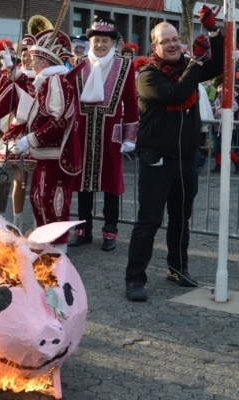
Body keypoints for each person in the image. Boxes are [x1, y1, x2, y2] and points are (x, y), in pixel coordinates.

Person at [125, 7, 223, 301]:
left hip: (186, 160)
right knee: (149, 221)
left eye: (174, 40)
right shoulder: (147, 75)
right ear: (154, 46)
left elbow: (216, 64)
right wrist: (195, 61)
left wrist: (214, 31)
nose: (171, 45)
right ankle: (134, 279)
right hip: (157, 161)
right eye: (164, 41)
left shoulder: (187, 68)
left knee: (181, 219)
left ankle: (177, 269)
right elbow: (175, 94)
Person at [68, 18, 138, 252]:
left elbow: (130, 101)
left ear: (112, 43)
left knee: (110, 184)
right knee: (83, 184)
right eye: (96, 40)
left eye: (104, 41)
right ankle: (83, 230)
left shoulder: (125, 65)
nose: (99, 45)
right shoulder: (78, 63)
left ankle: (110, 232)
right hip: (84, 131)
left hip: (111, 133)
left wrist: (130, 135)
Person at [13, 29, 83, 253]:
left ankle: (57, 255)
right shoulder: (49, 81)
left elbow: (60, 119)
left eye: (34, 60)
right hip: (46, 155)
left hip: (55, 155)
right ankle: (45, 250)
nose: (31, 64)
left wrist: (30, 139)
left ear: (44, 61)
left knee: (53, 204)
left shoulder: (55, 81)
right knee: (39, 200)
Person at [0, 38, 36, 232]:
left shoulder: (45, 77)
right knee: (19, 180)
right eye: (24, 54)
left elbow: (30, 89)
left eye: (31, 54)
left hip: (41, 133)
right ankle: (18, 221)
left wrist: (10, 69)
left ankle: (42, 223)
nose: (28, 58)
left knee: (41, 184)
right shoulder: (14, 76)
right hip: (19, 131)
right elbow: (1, 108)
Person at [210, 82, 239, 173]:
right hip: (217, 126)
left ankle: (237, 162)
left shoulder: (230, 97)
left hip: (226, 126)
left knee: (225, 147)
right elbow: (215, 107)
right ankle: (219, 165)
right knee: (217, 147)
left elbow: (235, 107)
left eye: (222, 87)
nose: (220, 88)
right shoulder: (218, 98)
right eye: (219, 87)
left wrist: (222, 111)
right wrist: (213, 109)